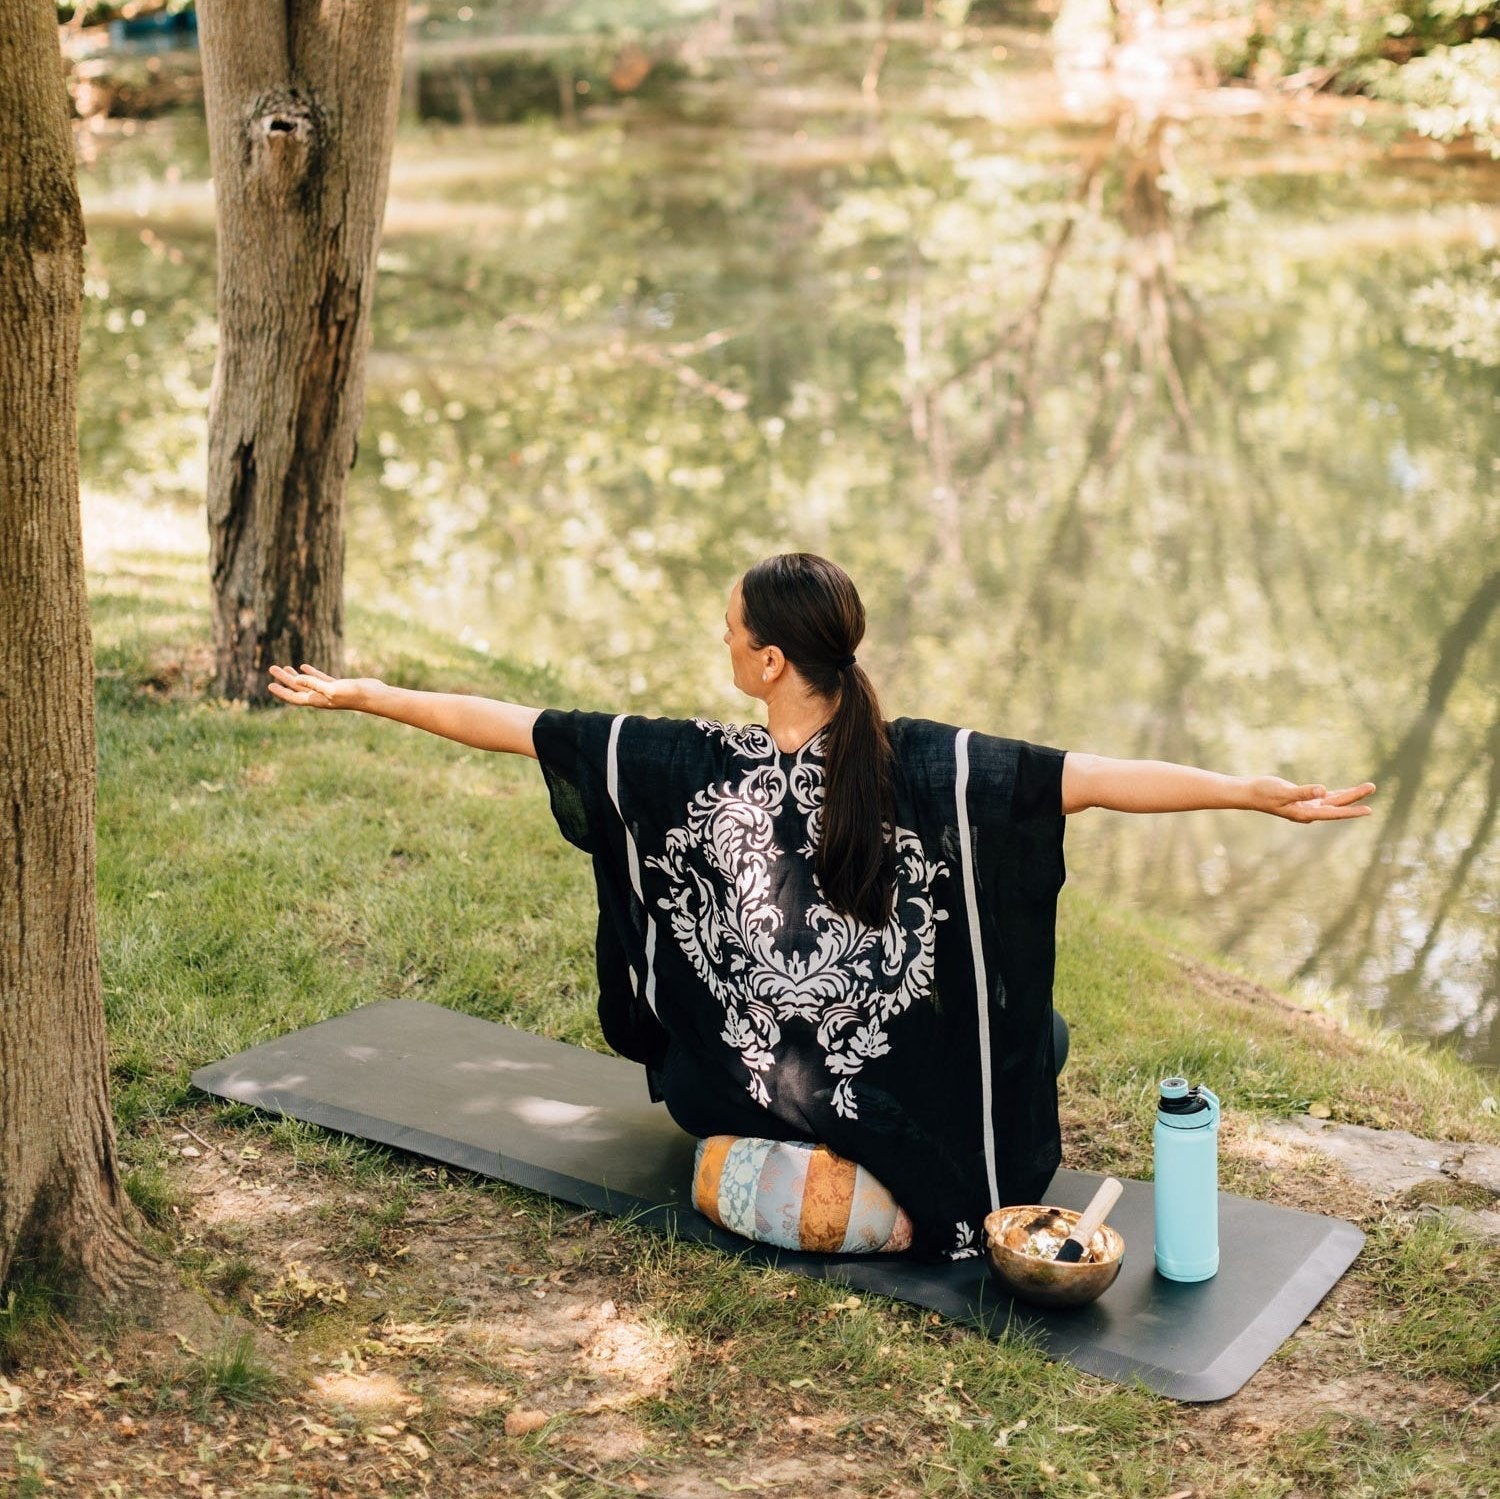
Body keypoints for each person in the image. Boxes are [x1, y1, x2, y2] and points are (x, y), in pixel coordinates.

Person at [268, 553, 1375, 1261]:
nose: (723, 641)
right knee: (1030, 1040)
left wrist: (368, 695)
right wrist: (1248, 791)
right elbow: (1089, 775)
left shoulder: (692, 763)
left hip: (751, 1085)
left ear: (771, 660)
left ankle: (819, 1156)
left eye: (729, 629)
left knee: (1000, 1044)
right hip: (915, 1101)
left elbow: (520, 722)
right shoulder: (930, 763)